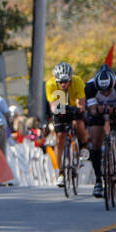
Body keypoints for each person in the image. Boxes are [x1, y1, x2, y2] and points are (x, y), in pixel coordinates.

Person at [83, 66, 116, 195]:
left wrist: (112, 111)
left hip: (115, 111)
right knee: (95, 141)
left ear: (113, 84)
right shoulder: (89, 87)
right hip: (98, 113)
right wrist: (100, 111)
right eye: (101, 91)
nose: (104, 94)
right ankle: (98, 180)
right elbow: (93, 109)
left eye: (108, 91)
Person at [46, 61, 87, 189]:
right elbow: (52, 105)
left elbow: (81, 103)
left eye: (66, 81)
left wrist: (78, 109)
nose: (63, 84)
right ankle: (61, 172)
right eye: (60, 82)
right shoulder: (50, 84)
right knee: (59, 138)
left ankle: (83, 145)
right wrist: (57, 110)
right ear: (56, 80)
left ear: (70, 79)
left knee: (78, 124)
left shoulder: (78, 81)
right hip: (60, 108)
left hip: (73, 107)